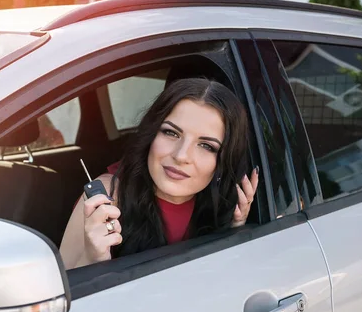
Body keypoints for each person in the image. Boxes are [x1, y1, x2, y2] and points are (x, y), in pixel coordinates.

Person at [60, 78, 259, 270]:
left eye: (206, 146)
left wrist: (235, 230)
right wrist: (93, 258)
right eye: (171, 133)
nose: (181, 156)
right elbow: (63, 296)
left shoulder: (220, 203)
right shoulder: (105, 198)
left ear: (223, 161)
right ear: (151, 134)